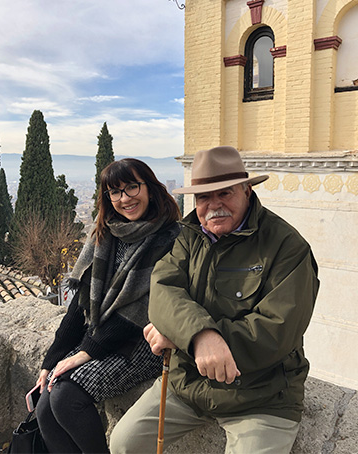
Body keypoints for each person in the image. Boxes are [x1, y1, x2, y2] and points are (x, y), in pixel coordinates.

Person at [110, 146, 320, 454]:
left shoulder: (287, 247)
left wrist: (192, 337)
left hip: (260, 396)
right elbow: (163, 288)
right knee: (124, 443)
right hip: (189, 386)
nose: (213, 206)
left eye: (225, 193)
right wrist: (198, 336)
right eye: (204, 197)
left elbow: (278, 330)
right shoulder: (190, 234)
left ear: (247, 190)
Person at [35, 158, 181, 453]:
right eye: (115, 192)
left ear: (149, 188)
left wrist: (84, 354)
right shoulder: (104, 234)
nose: (124, 198)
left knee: (66, 397)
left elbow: (144, 311)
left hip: (142, 341)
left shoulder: (170, 239)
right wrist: (52, 359)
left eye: (131, 187)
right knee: (45, 404)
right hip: (103, 334)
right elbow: (81, 303)